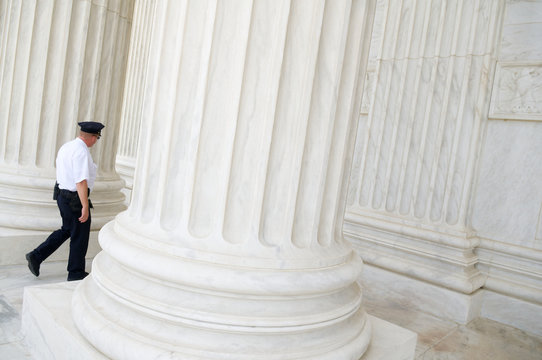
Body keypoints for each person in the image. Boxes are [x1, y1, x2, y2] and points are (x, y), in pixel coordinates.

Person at [25, 121, 104, 281]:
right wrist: (85, 206)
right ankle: (75, 273)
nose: (96, 142)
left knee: (68, 229)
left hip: (62, 196)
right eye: (97, 138)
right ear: (93, 137)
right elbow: (80, 181)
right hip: (74, 199)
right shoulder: (81, 152)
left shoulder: (66, 147)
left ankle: (36, 255)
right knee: (79, 236)